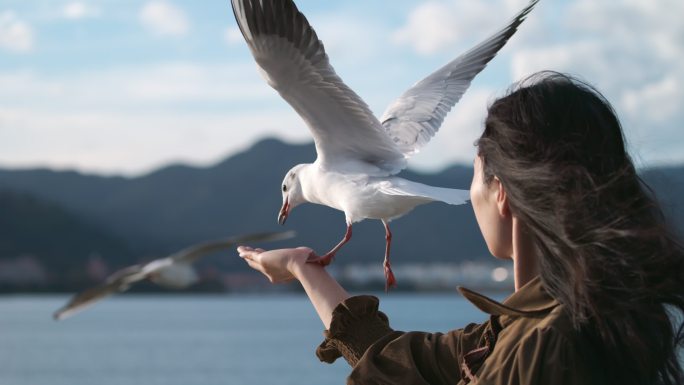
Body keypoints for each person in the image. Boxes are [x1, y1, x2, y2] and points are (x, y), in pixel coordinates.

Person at [237, 72, 684, 385]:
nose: (469, 193)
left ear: (503, 194)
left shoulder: (538, 350)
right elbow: (396, 361)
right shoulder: (550, 322)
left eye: (475, 175)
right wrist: (304, 268)